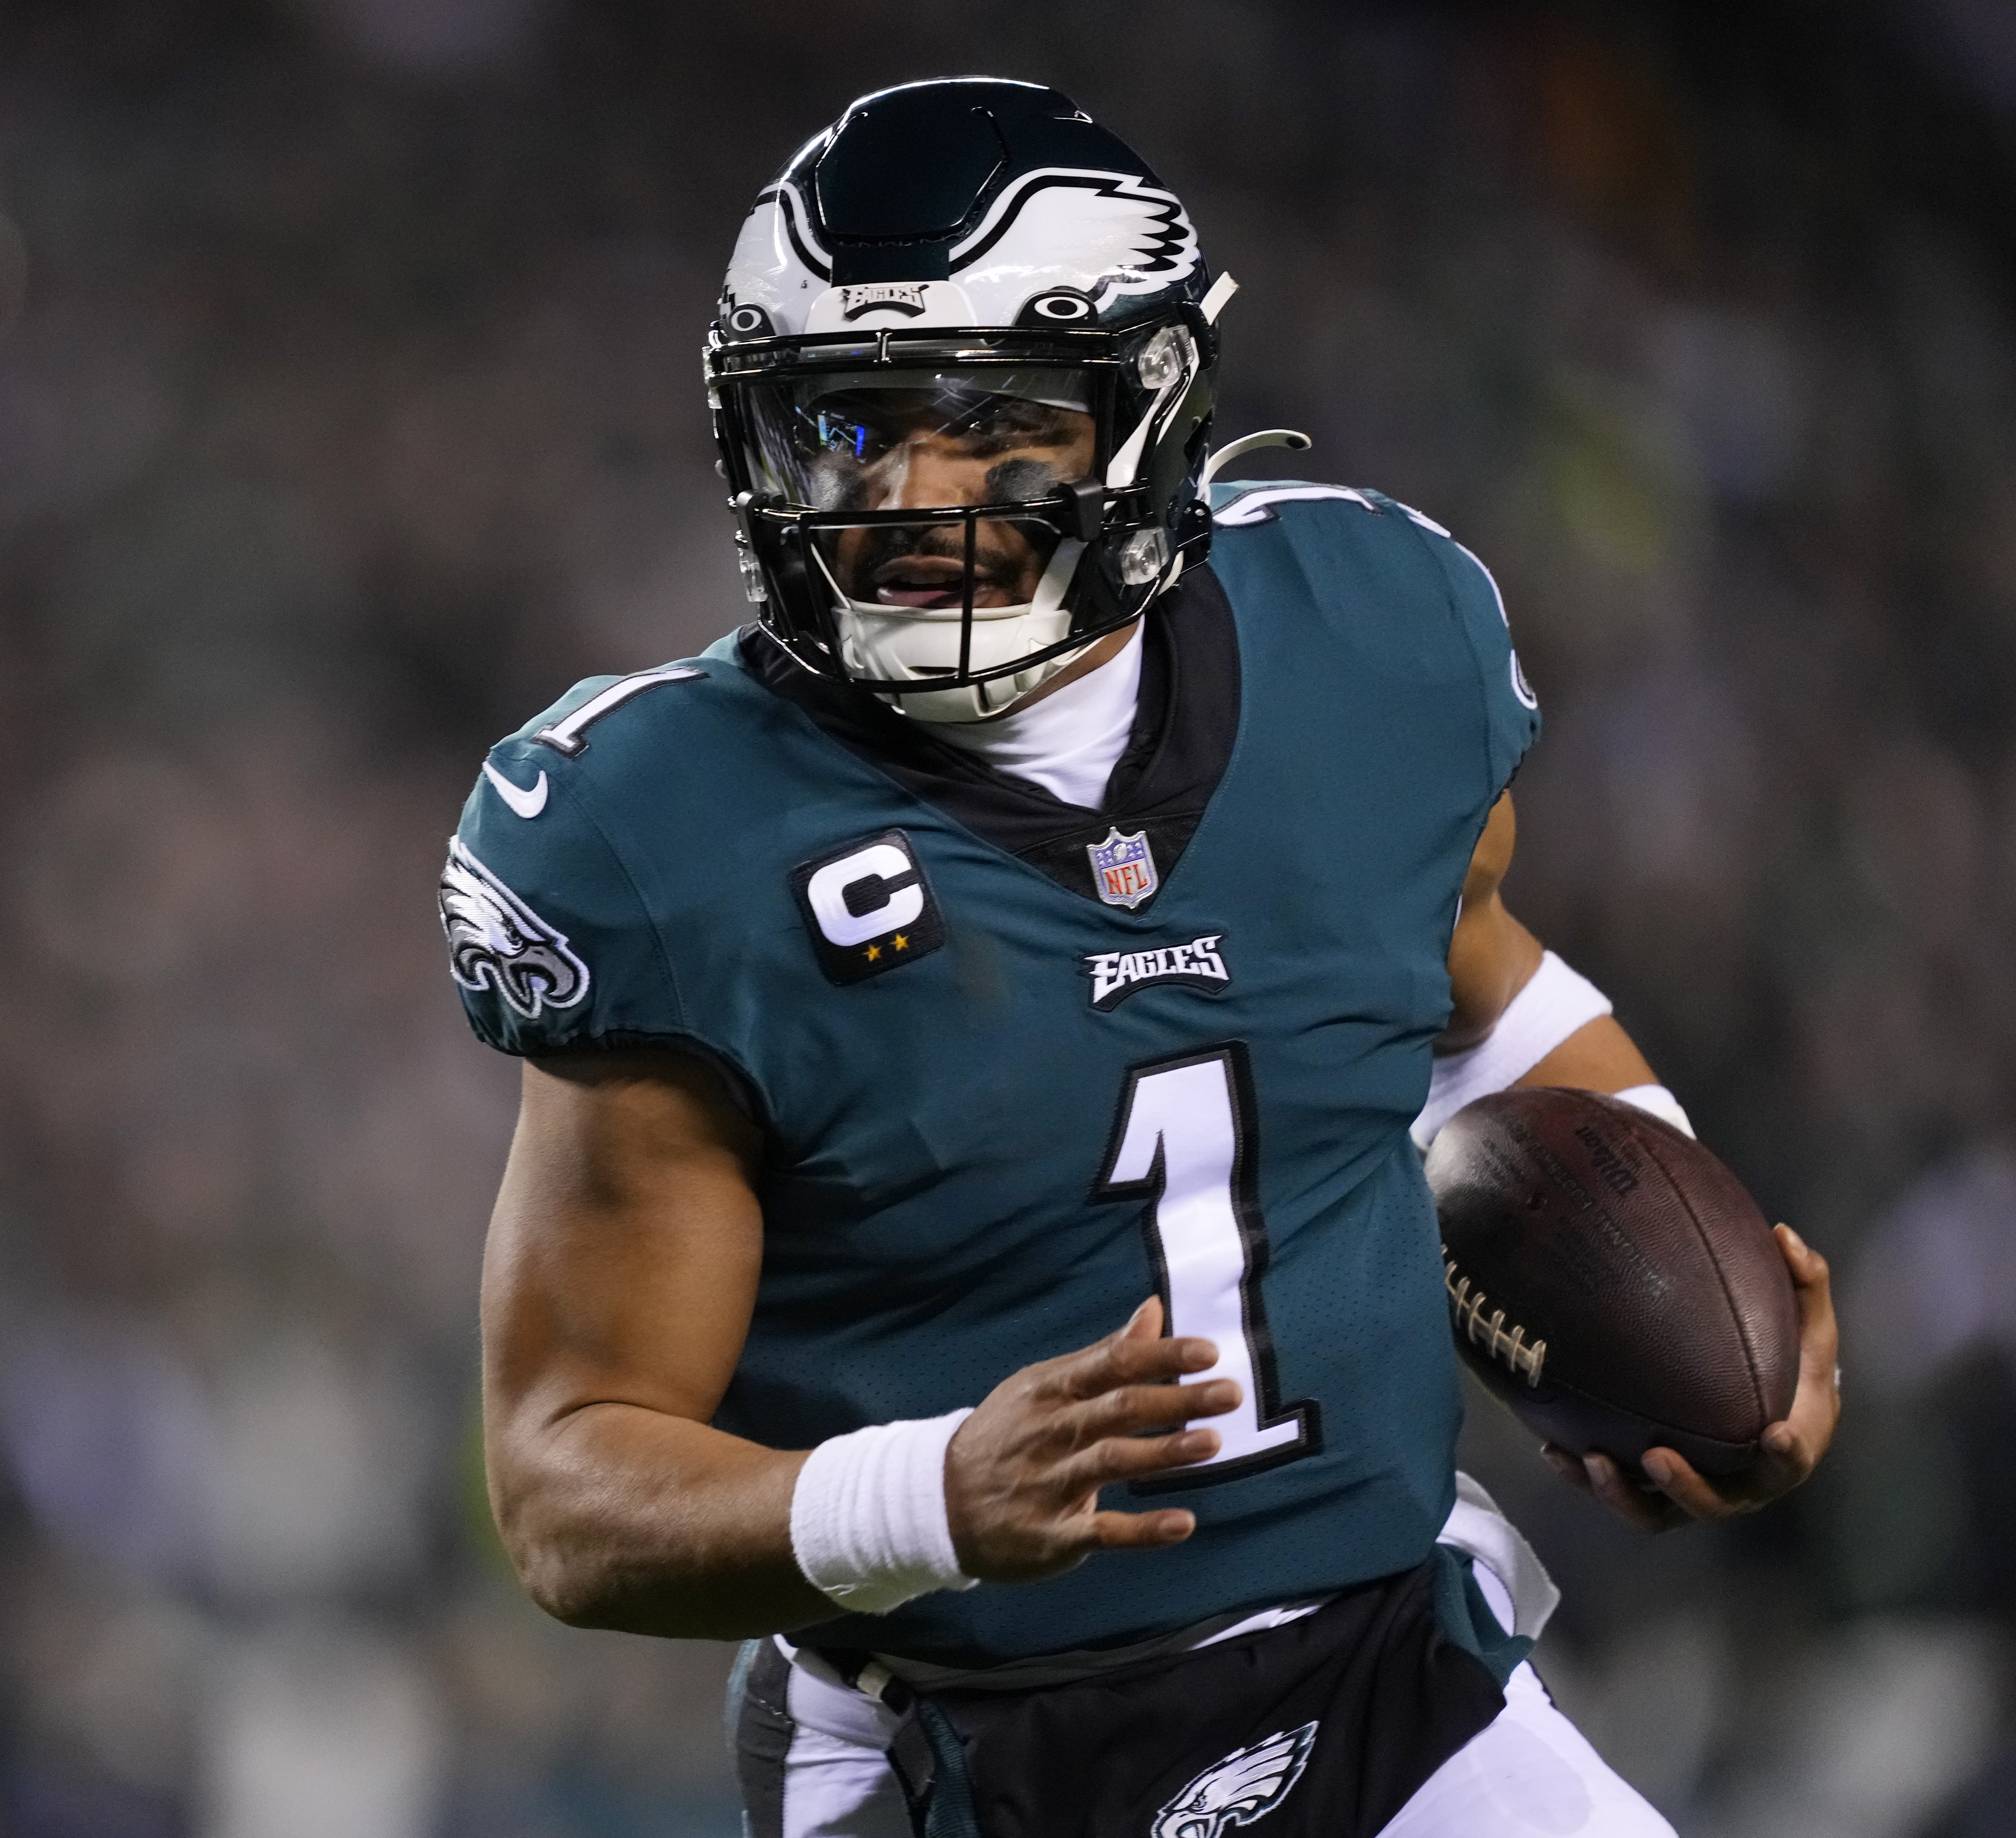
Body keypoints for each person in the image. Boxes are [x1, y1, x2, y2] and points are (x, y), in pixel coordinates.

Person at [441, 79, 1839, 1838]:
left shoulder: (1371, 645)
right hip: (961, 1744)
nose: (911, 494)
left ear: (1146, 409)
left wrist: (1684, 1321)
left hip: (1387, 1665)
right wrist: (925, 1499)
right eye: (853, 429)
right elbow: (567, 1484)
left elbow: (1478, 998)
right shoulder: (664, 835)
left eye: (994, 426)